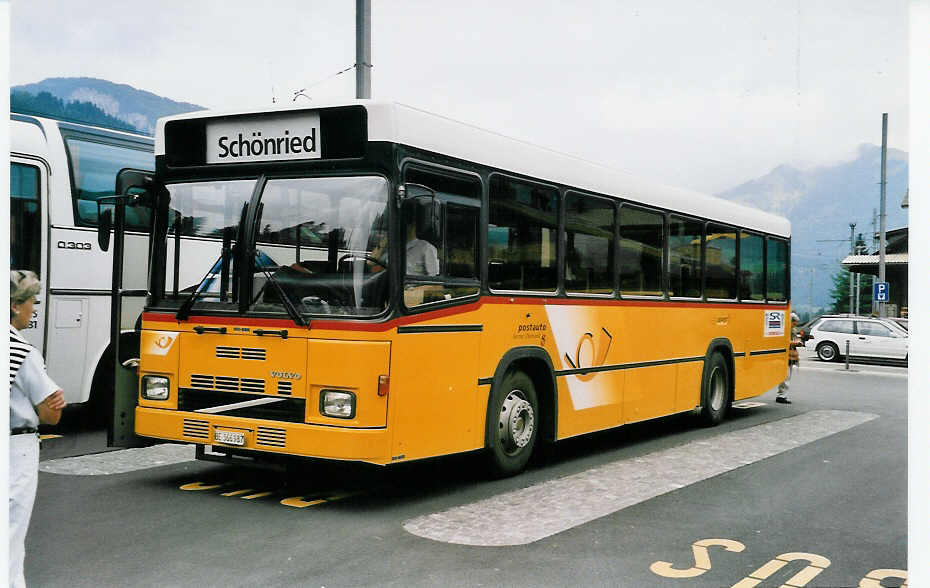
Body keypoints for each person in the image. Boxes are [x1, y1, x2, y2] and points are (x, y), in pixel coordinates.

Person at [9, 270, 65, 588]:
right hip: (16, 451)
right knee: (11, 539)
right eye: (33, 302)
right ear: (16, 306)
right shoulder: (21, 351)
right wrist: (52, 405)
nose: (35, 309)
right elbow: (50, 413)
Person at [776, 312, 801, 404]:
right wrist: (794, 343)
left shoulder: (792, 330)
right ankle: (781, 396)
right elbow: (783, 342)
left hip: (790, 355)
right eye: (794, 323)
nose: (795, 325)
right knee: (785, 376)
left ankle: (782, 394)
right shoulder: (784, 330)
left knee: (787, 375)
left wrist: (797, 341)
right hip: (784, 355)